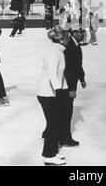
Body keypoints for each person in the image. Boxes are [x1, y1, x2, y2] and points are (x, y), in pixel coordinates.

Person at [37, 26, 70, 165]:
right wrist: (59, 90)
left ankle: (52, 152)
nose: (69, 40)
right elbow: (52, 73)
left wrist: (64, 87)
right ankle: (48, 155)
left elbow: (59, 75)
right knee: (53, 125)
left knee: (54, 124)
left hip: (50, 92)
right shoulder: (54, 53)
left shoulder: (56, 51)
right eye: (67, 37)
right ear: (61, 39)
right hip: (48, 93)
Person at [60, 23, 87, 147]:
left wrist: (82, 79)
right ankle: (65, 138)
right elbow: (69, 69)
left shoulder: (75, 44)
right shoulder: (70, 46)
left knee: (64, 110)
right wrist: (71, 88)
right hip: (67, 84)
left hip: (71, 82)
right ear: (74, 33)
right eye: (81, 32)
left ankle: (51, 132)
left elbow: (78, 65)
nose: (83, 34)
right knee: (66, 111)